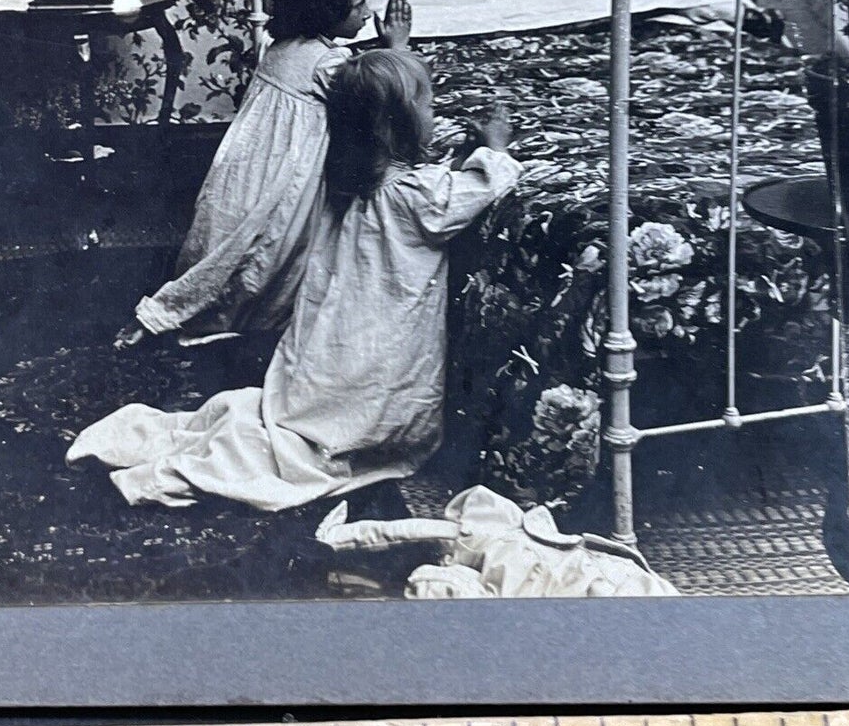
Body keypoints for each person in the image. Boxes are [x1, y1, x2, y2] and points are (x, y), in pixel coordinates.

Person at [67, 49, 520, 511]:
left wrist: (462, 156)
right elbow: (471, 192)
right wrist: (495, 151)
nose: (433, 114)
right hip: (379, 358)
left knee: (295, 407)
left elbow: (439, 185)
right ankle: (351, 436)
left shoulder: (352, 180)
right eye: (427, 106)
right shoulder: (415, 195)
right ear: (391, 126)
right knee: (361, 416)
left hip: (329, 349)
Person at [119, 0, 412, 347]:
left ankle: (173, 309)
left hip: (245, 173)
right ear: (328, 12)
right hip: (281, 184)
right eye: (359, 5)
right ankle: (183, 315)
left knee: (225, 247)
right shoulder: (329, 65)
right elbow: (383, 96)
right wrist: (397, 48)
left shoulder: (280, 47)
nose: (367, 13)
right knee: (264, 251)